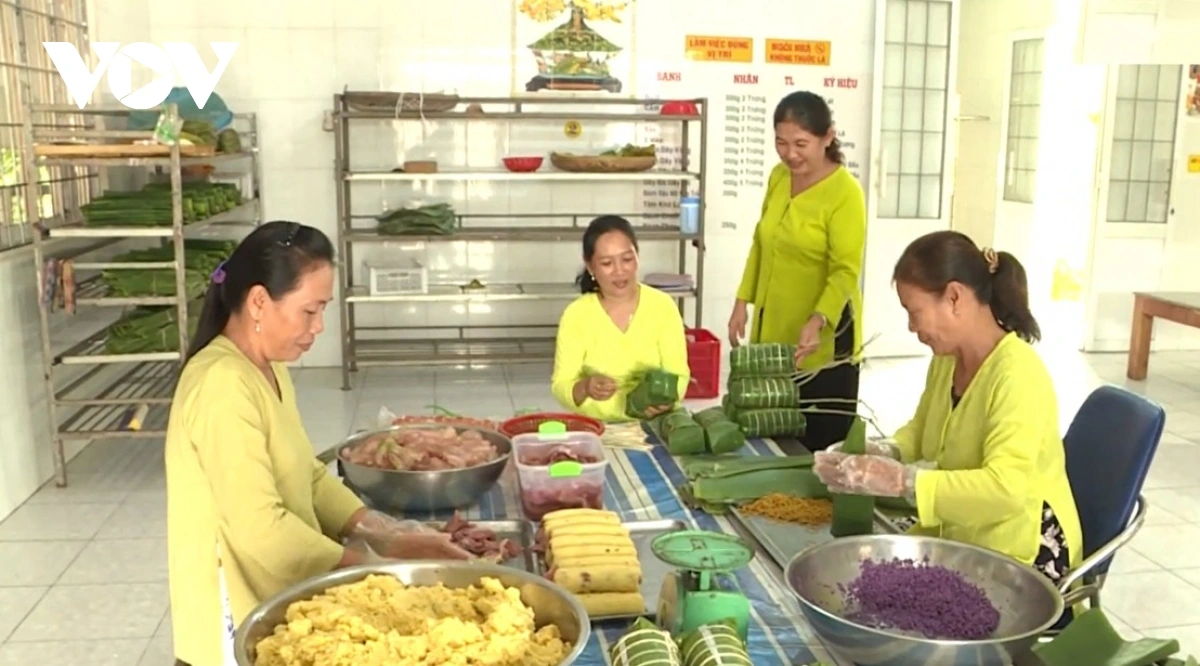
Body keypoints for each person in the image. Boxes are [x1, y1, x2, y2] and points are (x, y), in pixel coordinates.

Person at [164, 221, 470, 666]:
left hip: (277, 598)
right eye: (310, 311)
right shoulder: (221, 385)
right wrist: (369, 568)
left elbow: (306, 474)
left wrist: (384, 534)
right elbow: (260, 529)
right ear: (258, 302)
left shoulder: (267, 367)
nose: (319, 326)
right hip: (232, 620)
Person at [814, 230, 1082, 581]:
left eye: (915, 312)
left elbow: (1006, 491)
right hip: (962, 530)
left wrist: (902, 481)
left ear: (954, 297)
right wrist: (882, 451)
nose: (911, 327)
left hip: (1024, 549)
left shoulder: (1018, 374)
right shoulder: (946, 359)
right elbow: (922, 430)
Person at [727, 91, 866, 451]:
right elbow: (762, 242)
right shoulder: (779, 177)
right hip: (775, 323)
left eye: (801, 143)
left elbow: (845, 270)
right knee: (771, 425)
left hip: (824, 333)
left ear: (827, 137)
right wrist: (742, 301)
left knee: (817, 439)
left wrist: (818, 319)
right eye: (781, 142)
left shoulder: (845, 193)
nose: (790, 154)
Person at [551, 215, 690, 422]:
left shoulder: (663, 307)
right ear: (590, 267)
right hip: (596, 427)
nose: (619, 271)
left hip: (653, 425)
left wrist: (667, 401)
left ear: (637, 256)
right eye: (607, 263)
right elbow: (561, 384)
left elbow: (679, 374)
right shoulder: (576, 315)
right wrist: (585, 387)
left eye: (627, 259)